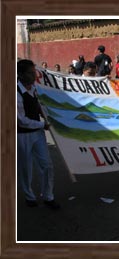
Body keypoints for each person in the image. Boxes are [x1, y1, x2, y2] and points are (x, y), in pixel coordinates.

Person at [17, 59, 60, 209]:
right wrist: (43, 124)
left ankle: (48, 196)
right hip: (22, 135)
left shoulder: (34, 88)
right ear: (21, 75)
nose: (34, 75)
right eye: (31, 72)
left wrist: (44, 114)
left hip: (38, 133)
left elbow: (38, 105)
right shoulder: (16, 94)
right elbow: (21, 121)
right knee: (25, 167)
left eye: (34, 71)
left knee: (47, 164)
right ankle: (29, 196)